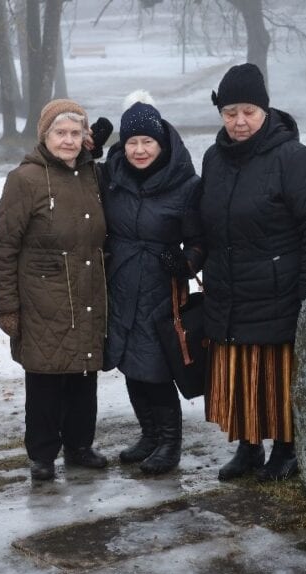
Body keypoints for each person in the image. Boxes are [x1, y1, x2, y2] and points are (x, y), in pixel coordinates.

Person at [200, 63, 306, 482]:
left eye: (248, 112)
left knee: (275, 376)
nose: (239, 122)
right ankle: (248, 447)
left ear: (265, 110)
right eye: (230, 113)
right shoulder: (214, 158)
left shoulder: (293, 158)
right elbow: (203, 218)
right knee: (240, 373)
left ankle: (286, 448)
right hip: (230, 286)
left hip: (279, 289)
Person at [0, 99, 109, 482]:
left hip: (87, 290)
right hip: (42, 299)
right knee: (44, 378)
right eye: (61, 132)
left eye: (76, 133)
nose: (68, 140)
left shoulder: (93, 175)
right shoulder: (24, 180)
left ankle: (79, 445)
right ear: (45, 135)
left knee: (83, 373)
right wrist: (7, 305)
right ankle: (42, 454)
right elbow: (4, 246)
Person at [102, 94, 203, 475]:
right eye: (132, 142)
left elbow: (199, 241)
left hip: (162, 287)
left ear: (161, 143)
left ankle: (169, 443)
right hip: (121, 282)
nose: (139, 150)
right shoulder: (112, 176)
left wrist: (186, 262)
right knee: (129, 363)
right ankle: (148, 435)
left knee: (157, 367)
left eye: (147, 141)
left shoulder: (186, 184)